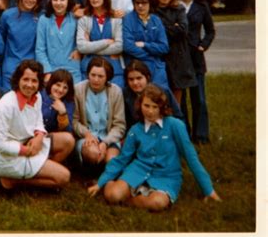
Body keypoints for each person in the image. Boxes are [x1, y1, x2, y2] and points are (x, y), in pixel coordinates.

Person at [88, 84, 221, 210]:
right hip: (137, 171)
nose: (150, 111)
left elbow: (191, 158)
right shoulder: (135, 129)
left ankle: (129, 200)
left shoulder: (176, 125)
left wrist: (208, 190)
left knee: (157, 203)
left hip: (166, 176)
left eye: (155, 107)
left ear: (162, 107)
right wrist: (100, 183)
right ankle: (116, 188)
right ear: (140, 105)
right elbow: (122, 159)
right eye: (146, 106)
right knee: (113, 195)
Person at [0, 60, 72, 191]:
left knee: (68, 140)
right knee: (64, 177)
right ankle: (11, 181)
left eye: (34, 81)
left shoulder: (37, 96)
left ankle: (39, 170)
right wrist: (25, 150)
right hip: (11, 157)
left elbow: (38, 121)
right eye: (25, 79)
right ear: (18, 80)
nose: (29, 85)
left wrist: (39, 137)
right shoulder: (5, 105)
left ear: (40, 82)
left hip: (30, 143)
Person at [177, 0, 216, 144]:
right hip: (178, 57)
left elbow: (210, 30)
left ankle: (201, 136)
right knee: (182, 99)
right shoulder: (174, 5)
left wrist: (203, 45)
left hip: (196, 57)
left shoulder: (201, 6)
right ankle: (185, 134)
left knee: (199, 98)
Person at [73, 57, 126, 169]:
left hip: (109, 137)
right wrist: (86, 134)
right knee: (93, 154)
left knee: (111, 161)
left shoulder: (116, 91)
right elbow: (74, 120)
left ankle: (103, 178)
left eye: (101, 76)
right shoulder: (78, 89)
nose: (96, 79)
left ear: (107, 77)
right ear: (88, 74)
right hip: (87, 137)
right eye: (93, 75)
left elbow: (119, 125)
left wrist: (105, 142)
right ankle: (89, 171)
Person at [154, 0, 197, 104]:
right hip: (161, 57)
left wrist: (162, 28)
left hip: (178, 58)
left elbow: (183, 30)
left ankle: (176, 122)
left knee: (176, 100)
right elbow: (154, 33)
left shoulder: (179, 9)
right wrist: (173, 27)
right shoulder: (152, 11)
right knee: (159, 96)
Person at [76, 0, 125, 88]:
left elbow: (119, 46)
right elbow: (81, 47)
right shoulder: (84, 20)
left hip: (114, 70)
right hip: (88, 70)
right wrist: (107, 42)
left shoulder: (116, 19)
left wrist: (91, 47)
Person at [122, 0, 169, 89]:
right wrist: (151, 55)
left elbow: (164, 47)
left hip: (156, 66)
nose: (140, 6)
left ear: (150, 3)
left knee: (161, 92)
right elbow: (128, 46)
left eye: (144, 3)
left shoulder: (156, 20)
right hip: (136, 64)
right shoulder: (128, 19)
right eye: (137, 2)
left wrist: (145, 44)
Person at [0, 0, 42, 91]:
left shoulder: (41, 17)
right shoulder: (7, 15)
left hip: (31, 69)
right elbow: (1, 42)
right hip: (10, 67)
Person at [35, 0, 82, 84]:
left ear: (68, 1)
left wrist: (78, 50)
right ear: (50, 1)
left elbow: (82, 41)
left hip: (72, 69)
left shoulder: (75, 19)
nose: (58, 3)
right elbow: (40, 49)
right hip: (51, 70)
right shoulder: (44, 20)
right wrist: (47, 71)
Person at [123, 59, 184, 129]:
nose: (135, 83)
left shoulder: (163, 91)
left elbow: (178, 116)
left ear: (147, 77)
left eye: (139, 78)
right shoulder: (125, 94)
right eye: (131, 79)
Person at [40, 69, 76, 137]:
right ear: (51, 83)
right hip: (35, 132)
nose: (60, 90)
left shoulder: (68, 102)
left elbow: (68, 132)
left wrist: (62, 113)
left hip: (51, 136)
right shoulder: (41, 94)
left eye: (65, 87)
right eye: (58, 85)